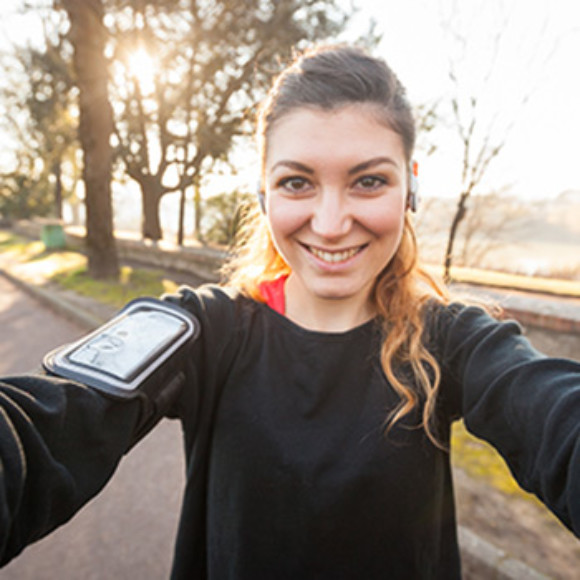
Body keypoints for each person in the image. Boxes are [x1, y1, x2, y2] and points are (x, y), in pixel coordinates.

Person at [1, 44, 579, 579]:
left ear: (410, 188)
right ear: (263, 192)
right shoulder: (203, 331)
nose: (330, 224)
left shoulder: (451, 341)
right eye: (297, 182)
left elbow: (555, 415)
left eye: (369, 181)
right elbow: (44, 424)